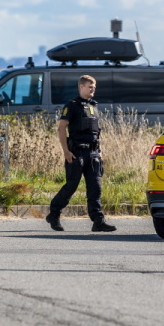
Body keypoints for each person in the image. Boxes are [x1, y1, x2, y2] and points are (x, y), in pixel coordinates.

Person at [46, 75, 116, 232]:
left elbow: (95, 131)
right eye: (90, 87)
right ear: (81, 87)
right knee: (71, 185)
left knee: (95, 187)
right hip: (76, 152)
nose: (93, 90)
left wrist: (100, 151)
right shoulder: (72, 105)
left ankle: (98, 221)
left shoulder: (93, 106)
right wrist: (66, 151)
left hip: (93, 153)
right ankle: (54, 214)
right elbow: (61, 128)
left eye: (94, 87)